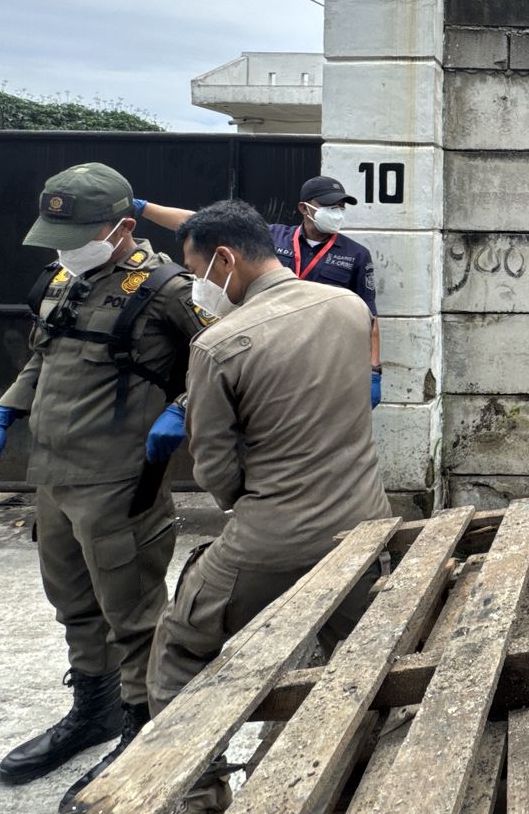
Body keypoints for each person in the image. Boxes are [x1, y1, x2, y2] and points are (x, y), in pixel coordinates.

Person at [0, 162, 208, 803]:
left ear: (123, 227)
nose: (62, 246)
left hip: (120, 480)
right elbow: (45, 354)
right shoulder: (59, 278)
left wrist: (180, 409)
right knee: (73, 603)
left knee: (132, 613)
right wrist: (4, 411)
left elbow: (224, 357)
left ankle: (142, 725)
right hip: (52, 472)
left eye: (75, 232)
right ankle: (94, 710)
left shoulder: (169, 290)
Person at [145, 199, 391, 811]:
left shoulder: (221, 344)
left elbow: (217, 471)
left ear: (224, 259)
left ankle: (198, 794)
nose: (199, 286)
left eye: (197, 269)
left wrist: (252, 508)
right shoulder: (348, 307)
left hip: (275, 534)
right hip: (366, 515)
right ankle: (367, 764)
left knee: (178, 647)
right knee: (361, 648)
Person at [136, 175, 382, 406]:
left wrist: (373, 371)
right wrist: (144, 208)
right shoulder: (272, 237)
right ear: (304, 208)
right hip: (267, 344)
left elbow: (369, 318)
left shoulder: (355, 254)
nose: (336, 212)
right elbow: (202, 225)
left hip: (322, 352)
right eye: (329, 205)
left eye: (340, 206)